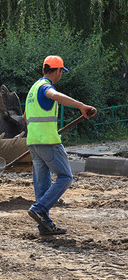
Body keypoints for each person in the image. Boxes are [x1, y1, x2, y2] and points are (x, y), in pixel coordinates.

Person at [25, 55, 96, 236]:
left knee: (42, 186)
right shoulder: (45, 87)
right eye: (61, 72)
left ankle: (44, 225)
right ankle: (39, 209)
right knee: (65, 177)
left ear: (44, 69)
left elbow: (26, 117)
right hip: (49, 142)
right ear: (57, 71)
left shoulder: (33, 89)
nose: (60, 75)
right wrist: (81, 106)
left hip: (33, 143)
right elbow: (54, 95)